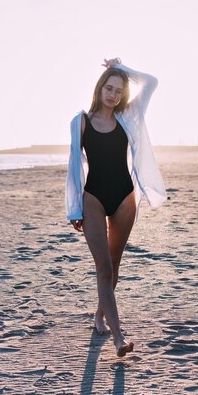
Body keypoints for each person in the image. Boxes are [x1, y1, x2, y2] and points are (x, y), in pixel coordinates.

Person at [65, 57, 166, 357]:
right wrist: (74, 209)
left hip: (124, 198)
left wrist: (124, 69)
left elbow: (152, 82)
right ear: (99, 88)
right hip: (93, 197)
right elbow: (73, 167)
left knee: (114, 264)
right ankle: (119, 337)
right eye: (109, 88)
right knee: (104, 267)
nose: (113, 95)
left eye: (119, 90)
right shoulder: (80, 121)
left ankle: (100, 317)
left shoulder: (129, 114)